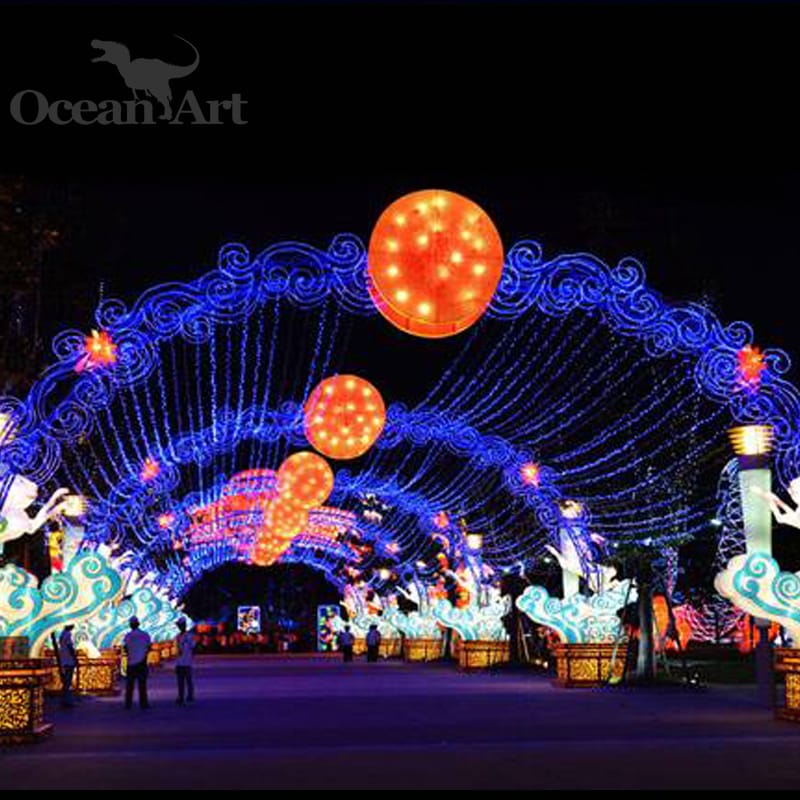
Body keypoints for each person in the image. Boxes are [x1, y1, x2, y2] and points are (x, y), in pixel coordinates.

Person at [123, 616, 151, 710]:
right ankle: (143, 703)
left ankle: (128, 704)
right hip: (142, 662)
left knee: (130, 685)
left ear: (130, 625)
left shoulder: (128, 636)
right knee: (142, 685)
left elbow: (125, 648)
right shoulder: (145, 635)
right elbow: (149, 647)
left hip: (131, 663)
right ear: (138, 624)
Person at [175, 617, 195, 705]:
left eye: (180, 625)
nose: (179, 627)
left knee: (188, 680)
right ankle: (181, 697)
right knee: (180, 681)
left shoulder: (189, 636)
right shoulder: (178, 636)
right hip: (179, 662)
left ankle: (190, 696)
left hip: (186, 662)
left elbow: (193, 646)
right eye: (179, 626)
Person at [58, 624, 77, 706]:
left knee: (66, 680)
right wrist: (74, 656)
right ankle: (67, 700)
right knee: (68, 681)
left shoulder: (62, 634)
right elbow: (70, 646)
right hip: (69, 660)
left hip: (64, 659)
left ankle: (65, 699)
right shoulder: (68, 634)